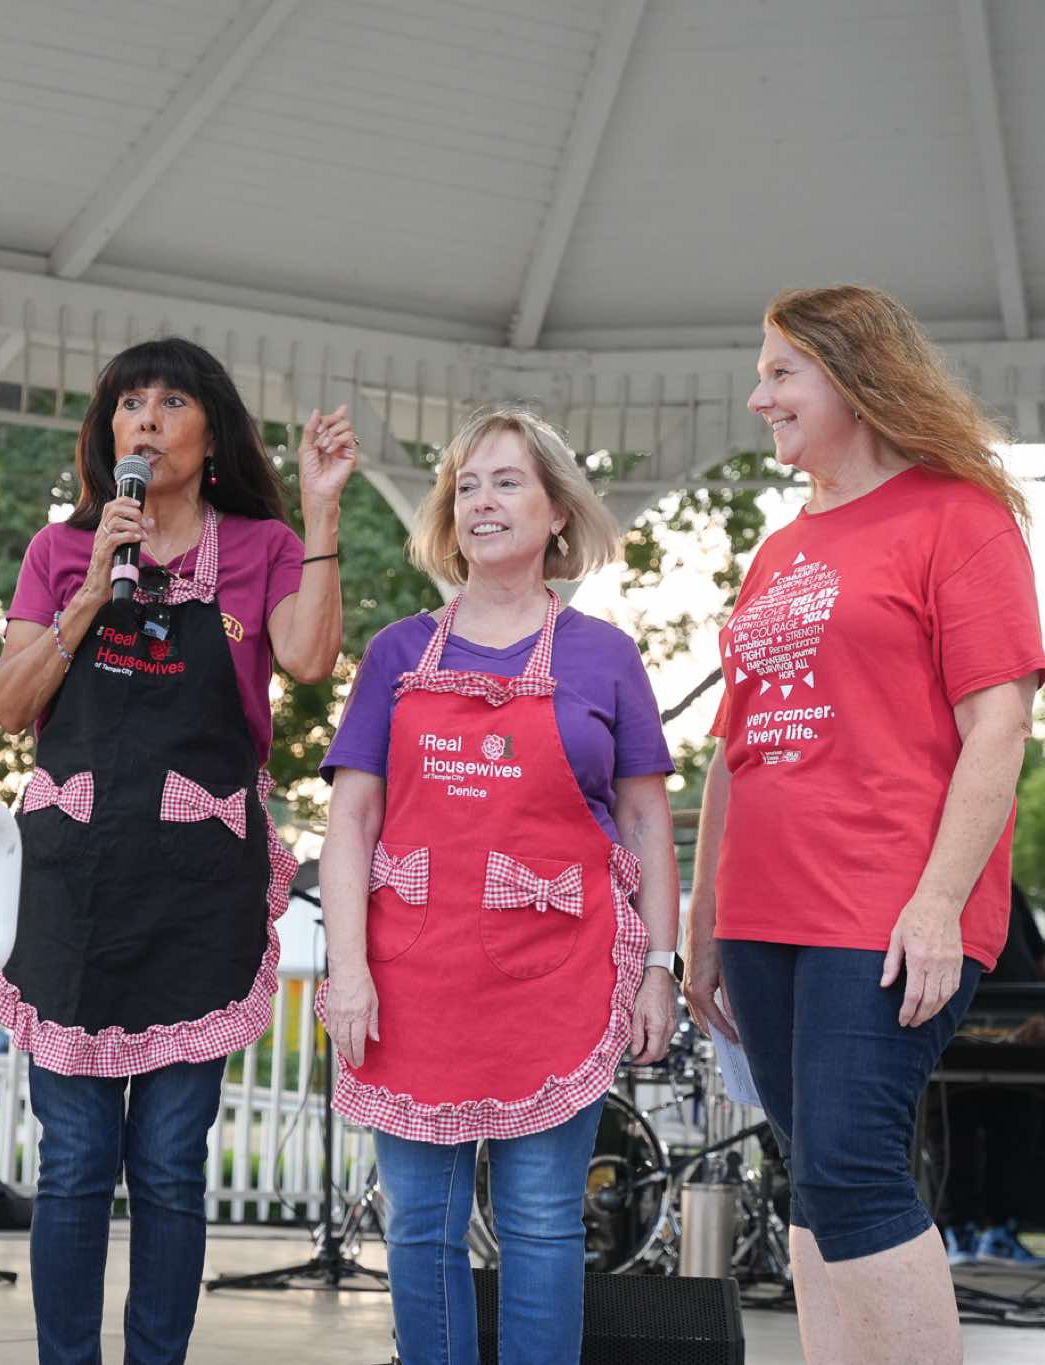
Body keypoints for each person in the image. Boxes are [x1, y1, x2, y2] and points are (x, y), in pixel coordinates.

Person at [682, 285, 1045, 1365]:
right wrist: (703, 920)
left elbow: (999, 726)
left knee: (849, 1165)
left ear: (853, 376)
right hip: (762, 913)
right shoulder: (777, 551)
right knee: (814, 1174)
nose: (759, 399)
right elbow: (733, 751)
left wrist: (937, 903)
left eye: (780, 374)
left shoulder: (958, 517)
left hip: (882, 905)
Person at [0, 337, 355, 1364]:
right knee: (71, 1163)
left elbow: (309, 658)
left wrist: (321, 511)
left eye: (171, 402)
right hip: (71, 885)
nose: (145, 419)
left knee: (167, 1165)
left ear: (212, 433)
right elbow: (10, 705)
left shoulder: (264, 546)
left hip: (198, 889)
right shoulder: (60, 550)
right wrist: (92, 588)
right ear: (107, 432)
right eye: (129, 403)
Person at [319, 405, 682, 1365]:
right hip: (414, 980)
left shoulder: (605, 655)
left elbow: (645, 821)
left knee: (542, 1223)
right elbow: (350, 821)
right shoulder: (398, 653)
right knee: (419, 1227)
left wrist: (660, 965)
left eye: (507, 481)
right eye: (466, 485)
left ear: (557, 511)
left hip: (559, 977)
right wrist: (348, 969)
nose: (481, 501)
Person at [939, 882, 1045, 1269]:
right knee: (954, 1135)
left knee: (1016, 1133)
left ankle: (1002, 1233)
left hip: (1020, 1034)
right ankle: (959, 1231)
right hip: (956, 1032)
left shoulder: (1008, 886)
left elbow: (1039, 954)